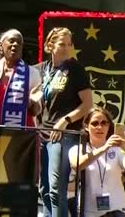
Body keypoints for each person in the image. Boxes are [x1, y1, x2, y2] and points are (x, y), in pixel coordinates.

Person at [40, 27, 93, 217]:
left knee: (56, 188)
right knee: (44, 189)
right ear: (49, 45)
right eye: (62, 44)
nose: (66, 48)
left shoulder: (75, 69)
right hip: (43, 133)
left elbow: (88, 104)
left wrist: (65, 121)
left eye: (69, 44)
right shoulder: (43, 68)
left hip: (64, 134)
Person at [69, 107, 125, 217]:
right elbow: (77, 165)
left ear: (109, 126)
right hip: (90, 211)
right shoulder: (78, 149)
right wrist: (104, 148)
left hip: (118, 209)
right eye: (95, 123)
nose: (99, 127)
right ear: (86, 126)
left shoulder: (117, 149)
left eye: (104, 123)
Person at [0, 29, 42, 127]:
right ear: (1, 46)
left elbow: (36, 112)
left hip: (22, 138)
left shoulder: (32, 73)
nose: (15, 44)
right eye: (11, 41)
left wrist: (33, 102)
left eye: (19, 43)